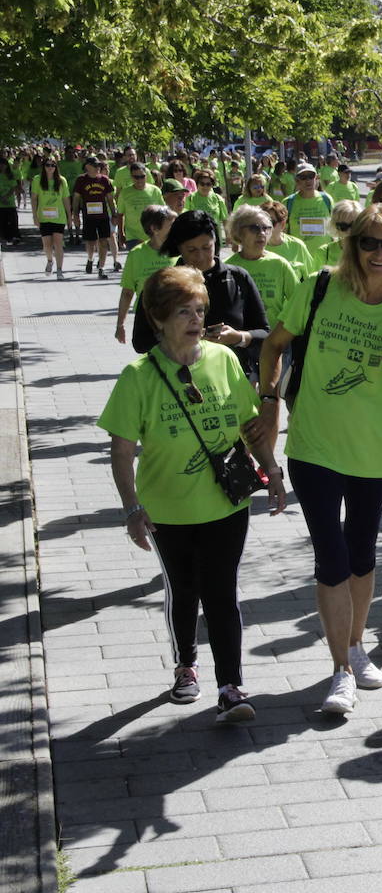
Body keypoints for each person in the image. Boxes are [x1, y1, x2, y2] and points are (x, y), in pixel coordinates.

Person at [98, 265, 287, 722]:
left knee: (221, 590)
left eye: (199, 310)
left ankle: (231, 687)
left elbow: (250, 425)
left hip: (226, 501)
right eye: (184, 311)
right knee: (184, 588)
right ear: (160, 319)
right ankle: (186, 666)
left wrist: (273, 472)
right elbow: (121, 452)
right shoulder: (138, 376)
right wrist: (132, 509)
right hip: (168, 507)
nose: (196, 319)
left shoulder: (222, 361)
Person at [253, 203, 382, 715]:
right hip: (315, 445)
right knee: (332, 557)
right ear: (352, 245)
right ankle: (341, 671)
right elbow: (273, 345)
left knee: (362, 554)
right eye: (368, 242)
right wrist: (268, 401)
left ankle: (355, 645)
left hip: (373, 448)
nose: (377, 252)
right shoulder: (320, 287)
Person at [131, 210, 270, 382]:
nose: (201, 256)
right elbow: (141, 341)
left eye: (207, 247)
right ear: (179, 248)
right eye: (191, 250)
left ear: (216, 243)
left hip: (231, 380)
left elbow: (264, 333)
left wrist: (240, 337)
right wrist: (187, 337)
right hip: (177, 382)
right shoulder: (162, 285)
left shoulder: (237, 278)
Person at [224, 205, 301, 329]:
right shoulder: (228, 267)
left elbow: (298, 301)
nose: (262, 233)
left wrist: (283, 329)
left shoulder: (279, 264)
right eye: (254, 228)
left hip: (275, 339)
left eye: (266, 228)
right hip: (240, 339)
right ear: (238, 232)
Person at [115, 205, 177, 345]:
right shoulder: (136, 254)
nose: (176, 230)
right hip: (146, 318)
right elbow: (127, 292)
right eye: (171, 225)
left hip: (176, 316)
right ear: (154, 229)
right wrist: (120, 325)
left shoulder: (179, 250)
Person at [72, 156, 117, 278]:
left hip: (103, 216)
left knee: (103, 241)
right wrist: (75, 215)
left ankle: (101, 268)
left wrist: (114, 214)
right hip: (88, 216)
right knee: (91, 242)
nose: (98, 168)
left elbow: (110, 199)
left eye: (99, 166)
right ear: (87, 167)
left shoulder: (104, 180)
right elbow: (76, 199)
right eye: (95, 166)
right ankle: (90, 259)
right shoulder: (81, 180)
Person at [284, 165, 334, 267]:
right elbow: (282, 232)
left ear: (316, 178)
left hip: (324, 260)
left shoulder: (327, 199)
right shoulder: (288, 202)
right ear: (297, 181)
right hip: (298, 260)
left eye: (311, 176)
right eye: (303, 177)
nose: (308, 180)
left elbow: (335, 228)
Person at [33, 158, 71, 278]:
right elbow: (34, 198)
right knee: (47, 245)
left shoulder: (61, 180)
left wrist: (70, 216)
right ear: (44, 167)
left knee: (58, 243)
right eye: (48, 165)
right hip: (44, 217)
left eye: (53, 165)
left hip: (59, 217)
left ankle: (59, 270)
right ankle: (50, 260)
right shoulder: (37, 180)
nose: (50, 168)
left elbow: (66, 199)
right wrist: (34, 215)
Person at [116, 162, 164, 250]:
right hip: (133, 236)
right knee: (138, 262)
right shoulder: (125, 193)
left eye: (142, 176)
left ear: (146, 176)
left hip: (152, 235)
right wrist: (121, 233)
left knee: (150, 262)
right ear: (131, 177)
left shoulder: (155, 191)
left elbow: (163, 212)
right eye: (136, 177)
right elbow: (120, 214)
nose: (139, 180)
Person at [262, 199, 315, 278]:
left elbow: (312, 278)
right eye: (261, 223)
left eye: (271, 222)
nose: (265, 228)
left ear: (283, 224)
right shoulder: (253, 247)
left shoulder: (297, 246)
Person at [186, 169, 229, 240]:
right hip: (196, 239)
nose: (205, 187)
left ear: (212, 185)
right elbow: (186, 220)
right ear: (197, 184)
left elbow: (225, 220)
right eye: (202, 184)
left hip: (215, 239)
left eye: (208, 184)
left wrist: (228, 237)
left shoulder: (218, 199)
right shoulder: (190, 198)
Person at [318, 200, 360, 268]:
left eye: (354, 225)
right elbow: (316, 277)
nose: (349, 230)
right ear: (334, 226)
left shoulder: (369, 250)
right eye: (343, 226)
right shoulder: (325, 252)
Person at [0, 156, 20, 245]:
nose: (2, 166)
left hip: (10, 202)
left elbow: (13, 187)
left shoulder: (10, 175)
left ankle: (14, 237)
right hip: (0, 203)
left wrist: (6, 197)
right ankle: (2, 237)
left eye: (4, 165)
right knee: (2, 222)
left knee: (13, 221)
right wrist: (1, 198)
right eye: (0, 165)